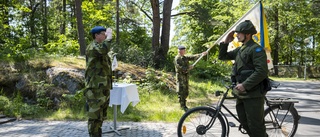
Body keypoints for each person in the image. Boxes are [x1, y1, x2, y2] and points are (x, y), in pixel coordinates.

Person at [218, 20, 268, 137]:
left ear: (248, 34)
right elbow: (222, 56)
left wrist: (245, 85)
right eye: (237, 33)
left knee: (256, 127)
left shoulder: (256, 49)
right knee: (245, 124)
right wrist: (226, 42)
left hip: (253, 94)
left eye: (240, 33)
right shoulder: (241, 49)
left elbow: (261, 71)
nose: (237, 35)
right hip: (241, 94)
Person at [84, 26, 113, 137]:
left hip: (103, 88)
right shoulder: (93, 47)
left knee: (100, 117)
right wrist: (109, 37)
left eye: (106, 34)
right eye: (103, 33)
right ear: (96, 35)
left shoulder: (99, 47)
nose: (105, 35)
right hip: (94, 88)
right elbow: (104, 49)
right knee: (94, 117)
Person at [174, 45, 207, 111]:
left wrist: (202, 54)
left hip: (185, 77)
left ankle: (184, 105)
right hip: (181, 77)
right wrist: (188, 68)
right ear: (179, 51)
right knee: (181, 91)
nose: (184, 51)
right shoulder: (178, 58)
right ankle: (182, 106)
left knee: (186, 91)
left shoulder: (185, 57)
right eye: (182, 50)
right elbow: (180, 68)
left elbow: (192, 57)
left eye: (184, 50)